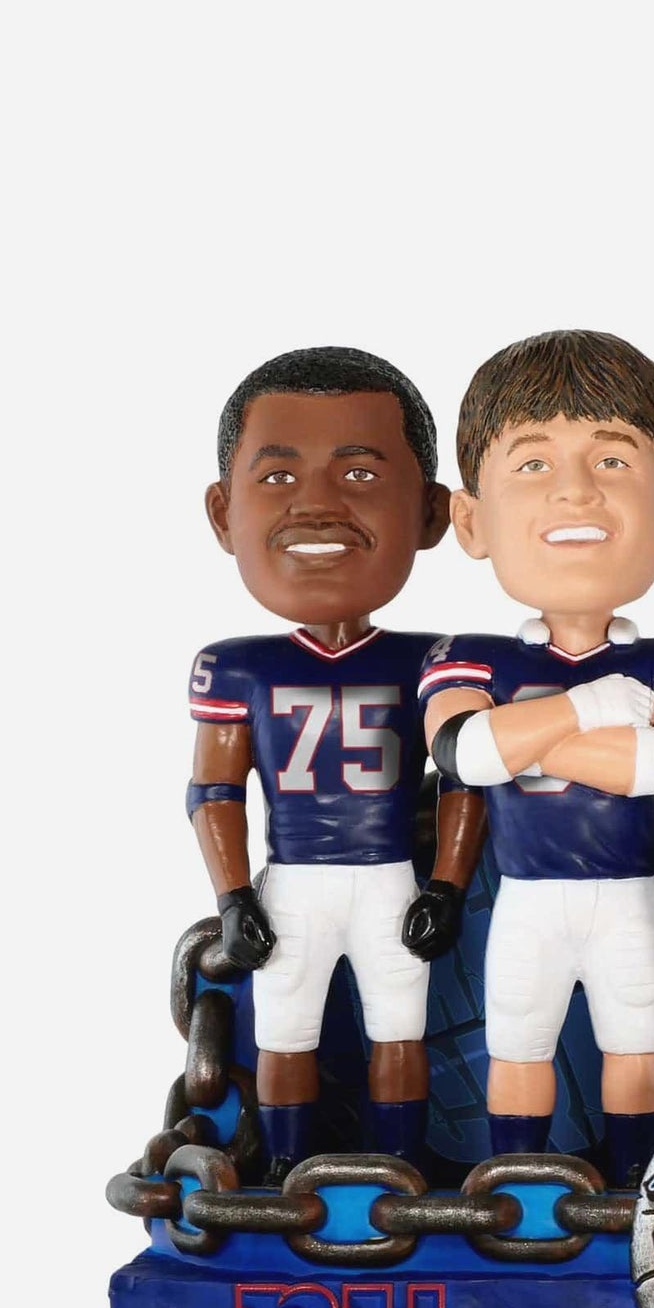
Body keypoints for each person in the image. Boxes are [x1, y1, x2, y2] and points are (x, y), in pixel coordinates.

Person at [189, 346, 484, 1180]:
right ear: (224, 512)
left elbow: (465, 776)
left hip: (390, 875)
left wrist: (447, 885)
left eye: (358, 474)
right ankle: (287, 1169)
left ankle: (401, 1165)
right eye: (279, 476)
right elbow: (214, 791)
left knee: (401, 1027)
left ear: (430, 513)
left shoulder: (435, 658)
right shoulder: (238, 666)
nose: (316, 503)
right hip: (294, 878)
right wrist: (233, 895)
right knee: (285, 1030)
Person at [417, 330, 654, 1186]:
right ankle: (519, 1190)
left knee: (636, 1043)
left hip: (627, 893)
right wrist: (591, 708)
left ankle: (636, 1187)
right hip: (528, 898)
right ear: (471, 520)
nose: (575, 489)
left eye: (612, 460)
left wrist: (530, 735)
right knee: (517, 1041)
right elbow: (466, 753)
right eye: (534, 464)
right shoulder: (469, 656)